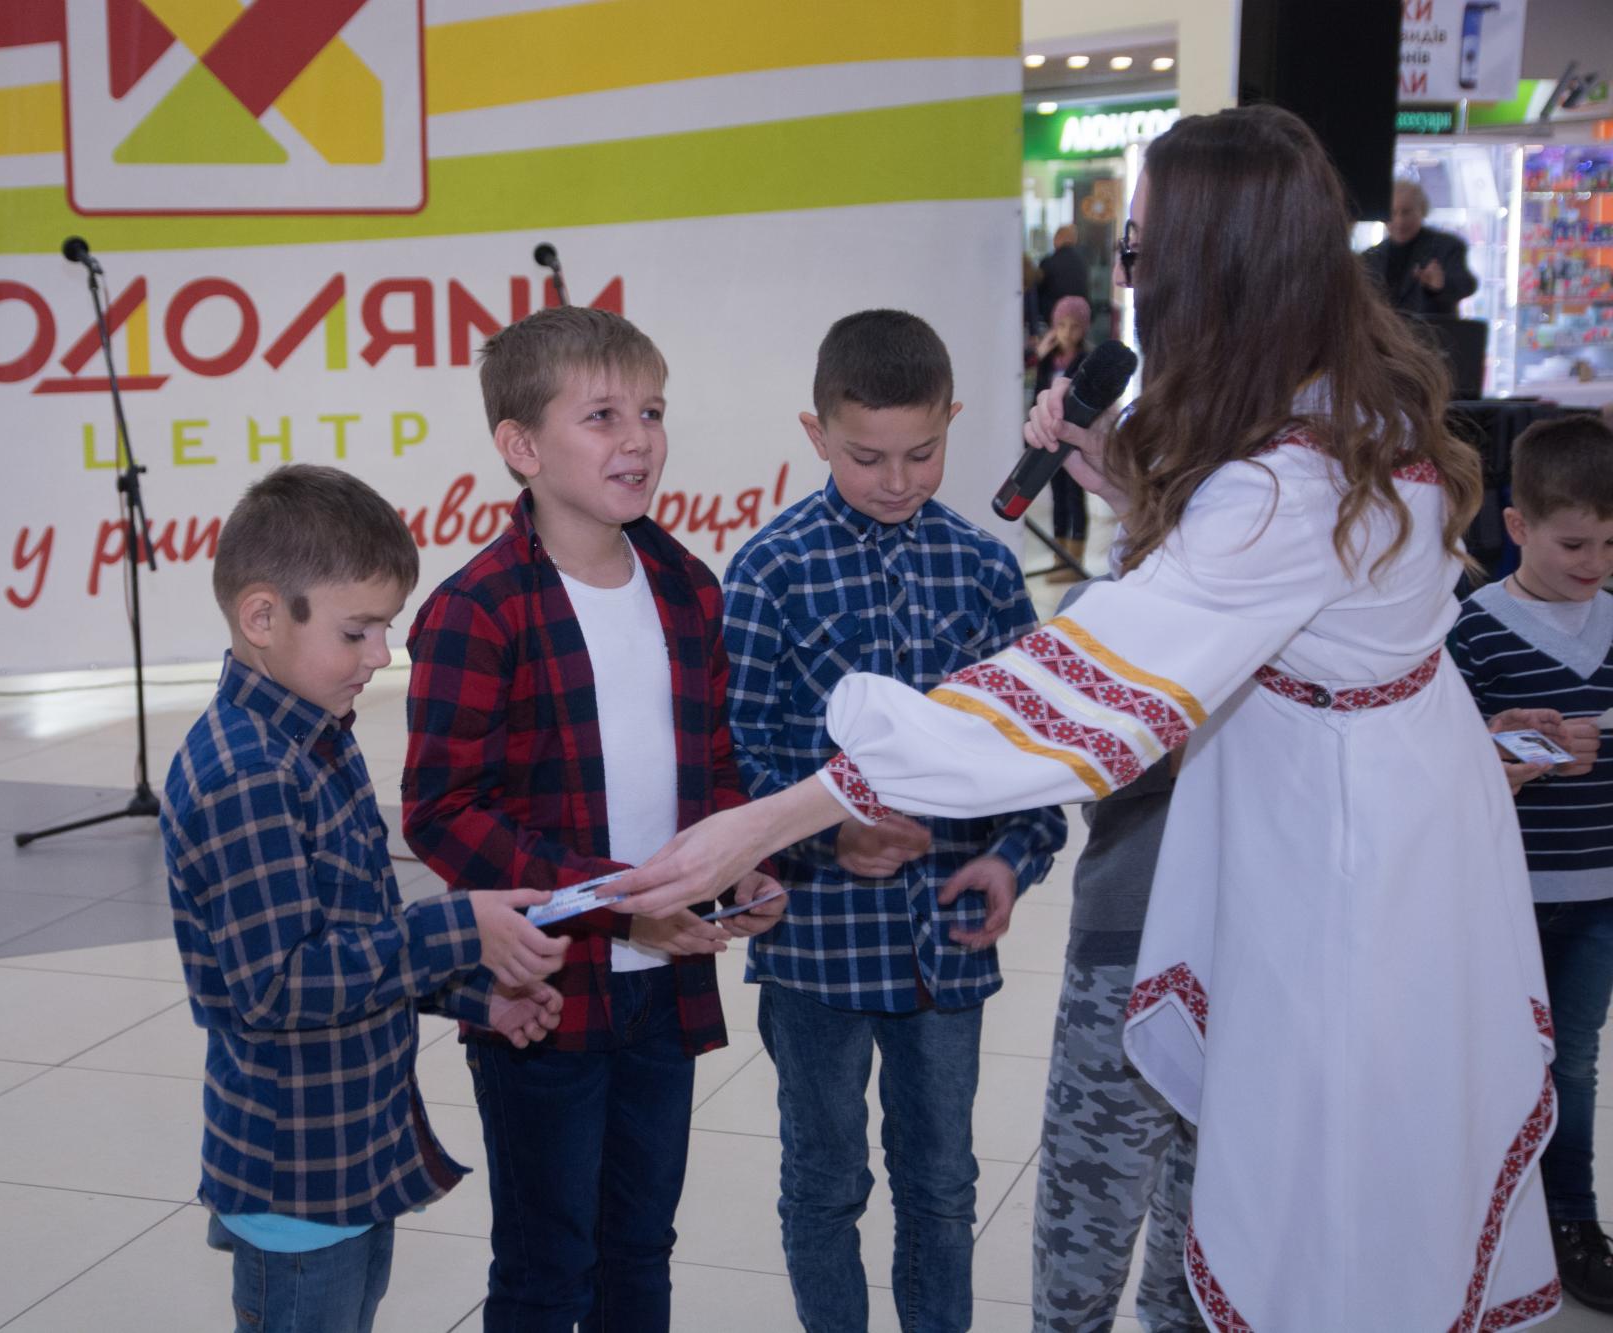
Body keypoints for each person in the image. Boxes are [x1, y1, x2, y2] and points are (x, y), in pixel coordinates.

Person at [612, 104, 1561, 1331]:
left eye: (1142, 251)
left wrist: (767, 820)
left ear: (1214, 268)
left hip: (1343, 854)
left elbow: (1071, 696)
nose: (1128, 278)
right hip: (1356, 802)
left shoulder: (1289, 479)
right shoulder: (1329, 404)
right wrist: (1130, 485)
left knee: (1329, 1182)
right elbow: (1227, 598)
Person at [401, 306, 785, 1333]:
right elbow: (442, 812)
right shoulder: (478, 608)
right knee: (547, 1263)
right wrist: (621, 907)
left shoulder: (686, 587)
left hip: (663, 983)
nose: (639, 439)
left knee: (639, 1247)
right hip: (543, 993)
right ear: (521, 447)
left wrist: (741, 860)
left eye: (651, 412)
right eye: (603, 415)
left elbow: (714, 766)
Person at [160, 465, 571, 1333]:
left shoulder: (316, 738)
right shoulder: (248, 774)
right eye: (357, 631)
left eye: (385, 627)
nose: (382, 655)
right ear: (262, 617)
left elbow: (357, 939)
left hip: (348, 1157)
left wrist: (480, 994)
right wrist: (459, 926)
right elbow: (280, 984)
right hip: (296, 1179)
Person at [722, 309, 1066, 1333]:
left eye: (921, 451)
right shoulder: (769, 570)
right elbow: (735, 755)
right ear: (815, 432)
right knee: (824, 1181)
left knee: (943, 1185)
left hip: (944, 948)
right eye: (865, 456)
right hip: (816, 951)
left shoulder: (985, 569)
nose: (896, 478)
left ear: (952, 420)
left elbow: (1034, 761)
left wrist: (1011, 862)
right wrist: (825, 834)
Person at [1449, 414, 1613, 1311]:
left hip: (1598, 896)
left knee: (1573, 1063)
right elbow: (1443, 749)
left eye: (1612, 544)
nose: (1594, 563)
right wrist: (1517, 747)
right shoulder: (1475, 629)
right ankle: (1479, 1222)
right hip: (1500, 895)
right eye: (1574, 543)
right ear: (1517, 525)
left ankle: (1571, 1221)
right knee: (1493, 1060)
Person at [1033, 575, 1200, 1333]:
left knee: (1206, 1228)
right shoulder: (1102, 608)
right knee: (1089, 1213)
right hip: (1127, 941)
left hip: (1261, 949)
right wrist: (1235, 740)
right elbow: (1092, 766)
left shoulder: (1296, 603)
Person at [1034, 294, 1094, 580]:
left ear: (1084, 329)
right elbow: (1037, 394)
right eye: (1061, 325)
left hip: (1074, 440)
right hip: (1050, 439)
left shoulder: (1086, 361)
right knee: (1058, 497)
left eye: (1075, 326)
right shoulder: (1047, 360)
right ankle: (1059, 558)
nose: (1067, 333)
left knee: (1074, 497)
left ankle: (1074, 560)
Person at [1363, 179, 1480, 317]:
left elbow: (1466, 285)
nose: (1399, 221)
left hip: (1432, 329)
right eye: (1392, 213)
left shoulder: (1447, 246)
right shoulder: (1369, 257)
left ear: (1422, 211)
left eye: (1406, 212)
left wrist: (1440, 285)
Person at [1037, 225, 1091, 328]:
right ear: (1074, 240)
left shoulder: (1048, 262)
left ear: (1058, 238)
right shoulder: (1083, 262)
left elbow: (1038, 292)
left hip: (1055, 318)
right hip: (1080, 316)